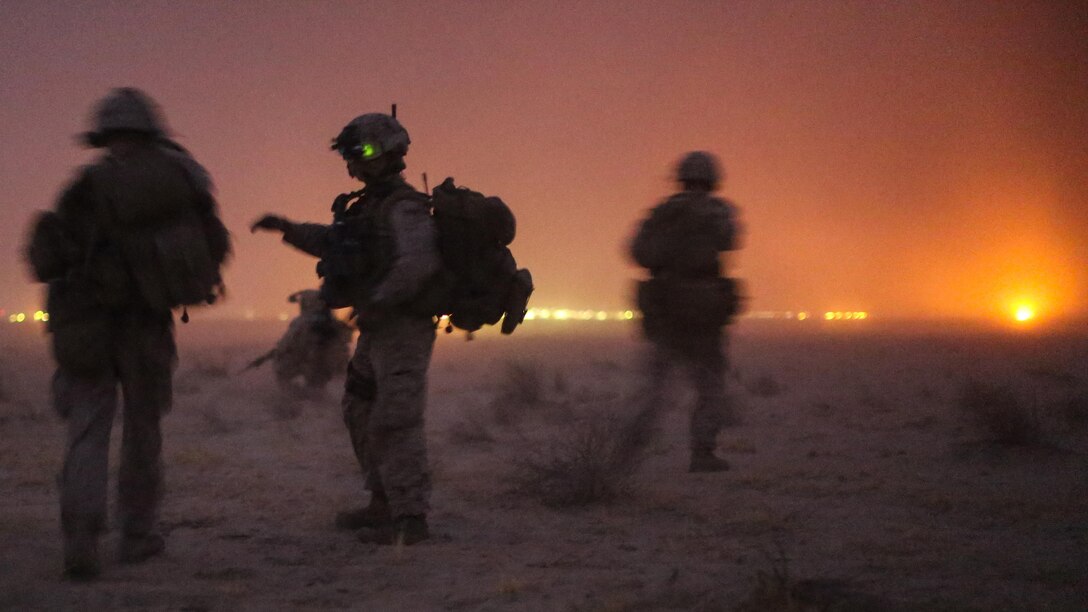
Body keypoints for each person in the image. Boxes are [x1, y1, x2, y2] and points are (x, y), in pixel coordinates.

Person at [23, 88, 230, 579]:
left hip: (90, 327)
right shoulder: (181, 181)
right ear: (152, 130)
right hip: (147, 325)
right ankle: (137, 537)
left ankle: (81, 539)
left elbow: (49, 257)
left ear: (105, 133)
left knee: (88, 431)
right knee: (143, 433)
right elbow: (214, 246)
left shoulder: (86, 187)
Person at [251, 112, 440, 545]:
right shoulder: (367, 208)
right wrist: (288, 229)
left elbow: (418, 263)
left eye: (364, 153)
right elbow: (337, 244)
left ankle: (410, 518)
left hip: (402, 329)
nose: (355, 163)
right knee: (359, 410)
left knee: (396, 418)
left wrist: (378, 300)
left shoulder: (405, 207)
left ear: (391, 154)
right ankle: (382, 503)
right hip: (378, 330)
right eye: (353, 156)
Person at [629, 151, 742, 473]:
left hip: (667, 312)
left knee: (654, 391)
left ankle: (628, 454)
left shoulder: (663, 213)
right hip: (703, 314)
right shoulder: (718, 211)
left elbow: (639, 252)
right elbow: (730, 241)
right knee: (709, 388)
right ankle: (703, 454)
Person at [270, 289, 353, 394]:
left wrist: (279, 350)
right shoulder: (336, 324)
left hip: (310, 362)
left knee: (283, 371)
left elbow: (289, 344)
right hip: (326, 365)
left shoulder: (301, 322)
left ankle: (292, 396)